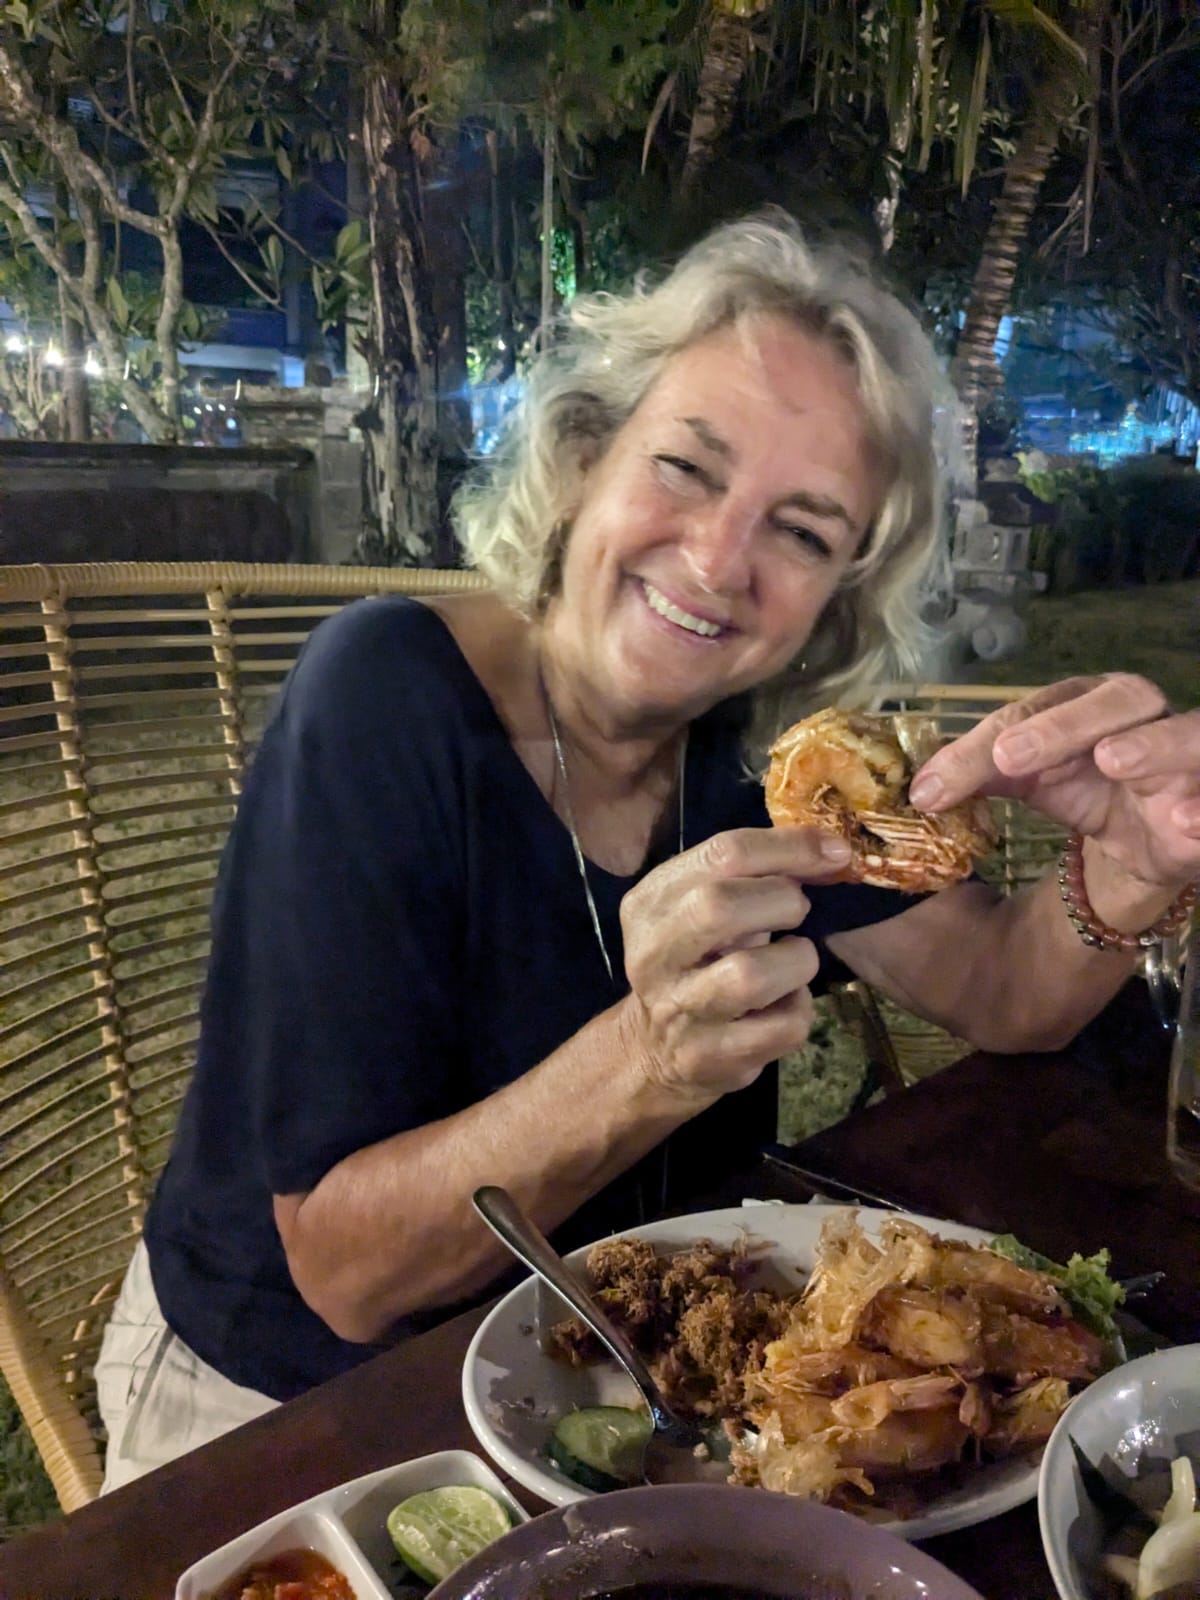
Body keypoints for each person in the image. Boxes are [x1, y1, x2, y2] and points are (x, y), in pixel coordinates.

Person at [94, 212, 1200, 1490]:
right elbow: (345, 1275)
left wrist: (1134, 864)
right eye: (686, 465)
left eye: (802, 530)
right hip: (292, 1410)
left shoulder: (755, 764)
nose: (720, 558)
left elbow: (1006, 992)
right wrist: (650, 1054)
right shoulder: (385, 698)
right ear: (583, 458)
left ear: (835, 597)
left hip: (624, 1386)